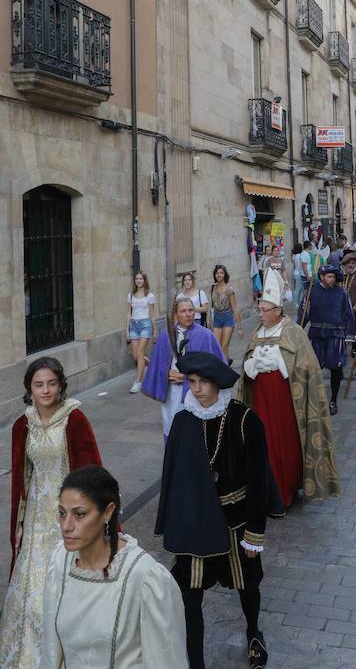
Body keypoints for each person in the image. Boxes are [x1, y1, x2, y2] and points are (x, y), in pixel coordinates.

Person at [157, 351, 284, 669]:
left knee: (247, 585)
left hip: (236, 523)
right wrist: (173, 519)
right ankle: (196, 662)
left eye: (203, 382)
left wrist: (255, 533)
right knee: (190, 593)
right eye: (192, 382)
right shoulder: (184, 419)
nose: (196, 389)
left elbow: (259, 480)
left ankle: (254, 632)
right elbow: (173, 474)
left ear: (218, 383)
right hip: (196, 523)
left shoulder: (244, 420)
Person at [0, 358, 102, 669]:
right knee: (31, 590)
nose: (46, 390)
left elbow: (93, 472)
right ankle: (28, 657)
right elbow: (21, 477)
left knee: (66, 586)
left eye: (51, 384)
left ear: (61, 386)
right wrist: (17, 525)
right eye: (39, 384)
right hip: (34, 520)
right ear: (29, 389)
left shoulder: (75, 418)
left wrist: (100, 521)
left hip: (68, 517)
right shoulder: (22, 424)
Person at [40, 466, 187, 668]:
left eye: (80, 514)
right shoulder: (60, 560)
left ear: (108, 512)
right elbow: (50, 648)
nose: (66, 526)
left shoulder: (145, 578)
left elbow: (165, 661)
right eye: (62, 513)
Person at [240, 268, 340, 508]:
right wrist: (253, 365)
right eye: (259, 309)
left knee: (285, 447)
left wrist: (280, 364)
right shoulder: (257, 333)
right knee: (263, 446)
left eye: (264, 310)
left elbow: (308, 368)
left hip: (287, 405)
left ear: (278, 310)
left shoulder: (294, 333)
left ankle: (285, 491)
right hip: (261, 403)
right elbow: (246, 366)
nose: (260, 314)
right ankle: (264, 493)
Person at [142, 295, 225, 441]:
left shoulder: (206, 336)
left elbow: (217, 367)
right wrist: (166, 373)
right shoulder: (165, 336)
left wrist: (189, 378)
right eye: (183, 311)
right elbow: (156, 367)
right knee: (173, 430)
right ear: (176, 314)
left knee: (196, 433)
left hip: (198, 393)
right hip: (172, 394)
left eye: (191, 310)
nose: (188, 314)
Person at [298, 264, 354, 415]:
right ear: (322, 277)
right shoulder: (311, 291)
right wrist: (298, 329)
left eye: (334, 277)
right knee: (313, 369)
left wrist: (349, 335)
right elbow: (304, 313)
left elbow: (349, 314)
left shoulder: (342, 293)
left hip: (335, 336)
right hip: (316, 335)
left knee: (336, 369)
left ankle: (333, 400)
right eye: (329, 276)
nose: (332, 280)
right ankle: (313, 399)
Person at [126, 271, 158, 394]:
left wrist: (155, 330)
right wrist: (126, 330)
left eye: (141, 279)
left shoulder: (149, 296)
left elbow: (152, 314)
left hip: (145, 325)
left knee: (140, 352)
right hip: (134, 325)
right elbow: (128, 313)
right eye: (137, 279)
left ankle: (138, 382)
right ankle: (149, 364)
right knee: (136, 356)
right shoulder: (130, 295)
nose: (138, 281)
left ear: (144, 280)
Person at [211, 264, 243, 361]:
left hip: (227, 318)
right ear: (215, 275)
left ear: (225, 275)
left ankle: (224, 370)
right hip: (217, 318)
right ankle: (224, 365)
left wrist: (240, 327)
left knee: (224, 346)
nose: (219, 275)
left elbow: (235, 308)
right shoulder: (213, 288)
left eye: (221, 273)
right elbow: (211, 307)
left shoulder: (229, 290)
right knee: (217, 346)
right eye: (217, 273)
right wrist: (210, 322)